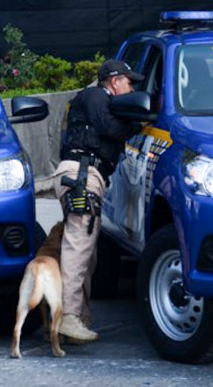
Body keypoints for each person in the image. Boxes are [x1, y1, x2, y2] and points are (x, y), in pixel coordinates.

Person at [53, 59, 142, 344]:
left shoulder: (100, 99)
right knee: (78, 245)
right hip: (81, 175)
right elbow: (111, 128)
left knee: (88, 254)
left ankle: (78, 319)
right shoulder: (94, 96)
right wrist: (138, 123)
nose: (131, 88)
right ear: (115, 81)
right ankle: (68, 317)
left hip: (87, 175)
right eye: (129, 83)